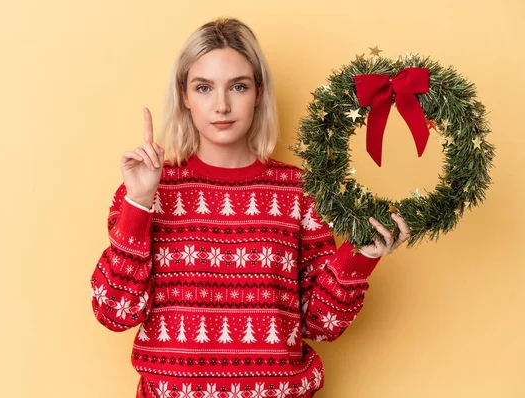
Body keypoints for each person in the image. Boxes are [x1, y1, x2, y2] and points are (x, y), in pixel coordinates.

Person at [90, 17, 410, 398]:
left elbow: (321, 325)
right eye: (204, 87)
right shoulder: (150, 189)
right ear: (184, 95)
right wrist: (140, 203)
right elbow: (115, 311)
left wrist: (361, 257)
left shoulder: (298, 191)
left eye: (238, 87)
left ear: (259, 92)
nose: (221, 106)